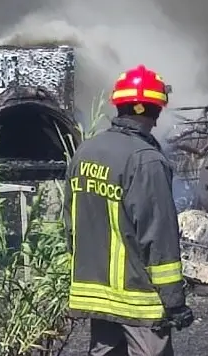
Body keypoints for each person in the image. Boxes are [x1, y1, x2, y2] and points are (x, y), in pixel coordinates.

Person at [65, 64, 195, 356]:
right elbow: (158, 237)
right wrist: (174, 301)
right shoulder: (146, 160)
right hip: (138, 296)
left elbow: (71, 221)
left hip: (95, 292)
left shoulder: (85, 151)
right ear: (155, 109)